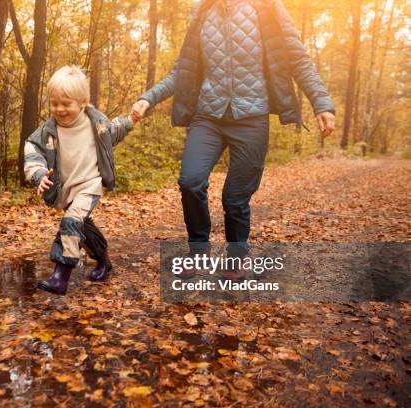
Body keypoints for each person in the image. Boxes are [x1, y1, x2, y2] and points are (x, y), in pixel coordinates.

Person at [131, 0, 336, 279]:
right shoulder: (202, 11)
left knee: (235, 198)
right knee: (190, 181)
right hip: (208, 116)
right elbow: (183, 71)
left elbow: (297, 58)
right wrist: (148, 98)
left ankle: (237, 258)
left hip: (252, 118)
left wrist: (321, 103)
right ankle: (199, 251)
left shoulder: (267, 8)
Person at [24, 65, 136, 295]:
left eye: (66, 104)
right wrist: (38, 175)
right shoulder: (48, 131)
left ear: (82, 102)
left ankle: (60, 275)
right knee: (82, 227)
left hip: (89, 184)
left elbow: (114, 131)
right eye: (55, 103)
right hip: (66, 189)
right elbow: (32, 149)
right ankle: (104, 260)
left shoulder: (96, 123)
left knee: (71, 224)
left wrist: (131, 119)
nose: (60, 109)